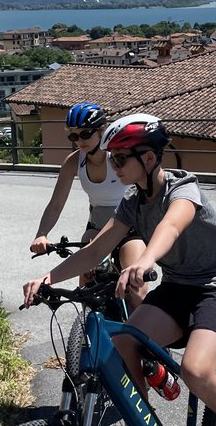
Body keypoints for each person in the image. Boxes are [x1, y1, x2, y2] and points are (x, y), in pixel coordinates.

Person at [22, 113, 216, 426]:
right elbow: (95, 250)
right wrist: (49, 279)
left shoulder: (183, 189)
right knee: (123, 342)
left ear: (150, 158)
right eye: (113, 158)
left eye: (122, 158)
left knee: (195, 370)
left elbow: (170, 227)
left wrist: (144, 261)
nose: (114, 165)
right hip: (179, 287)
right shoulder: (131, 201)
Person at [29, 102, 148, 306]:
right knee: (86, 283)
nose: (79, 141)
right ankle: (87, 332)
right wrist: (42, 234)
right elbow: (56, 204)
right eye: (73, 136)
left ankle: (139, 334)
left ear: (102, 130)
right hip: (98, 226)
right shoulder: (73, 162)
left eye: (85, 134)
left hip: (131, 226)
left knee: (136, 289)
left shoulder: (120, 157)